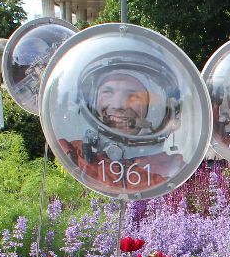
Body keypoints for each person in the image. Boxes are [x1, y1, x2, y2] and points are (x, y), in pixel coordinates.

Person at [60, 56, 188, 193]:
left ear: (155, 110)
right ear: (93, 101)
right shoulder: (72, 154)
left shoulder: (173, 172)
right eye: (108, 92)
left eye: (134, 96)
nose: (118, 105)